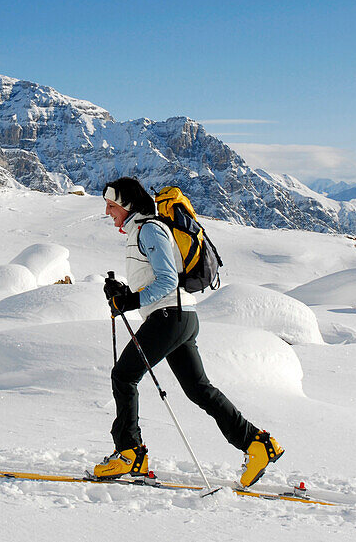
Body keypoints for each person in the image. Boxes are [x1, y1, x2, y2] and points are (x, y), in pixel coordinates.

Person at [92, 176, 283, 488]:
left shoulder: (149, 229)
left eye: (111, 205)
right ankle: (258, 444)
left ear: (126, 205)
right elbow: (157, 279)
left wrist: (130, 300)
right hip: (180, 315)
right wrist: (124, 292)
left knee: (123, 376)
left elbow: (167, 280)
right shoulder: (142, 231)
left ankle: (129, 454)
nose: (108, 212)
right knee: (199, 390)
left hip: (170, 315)